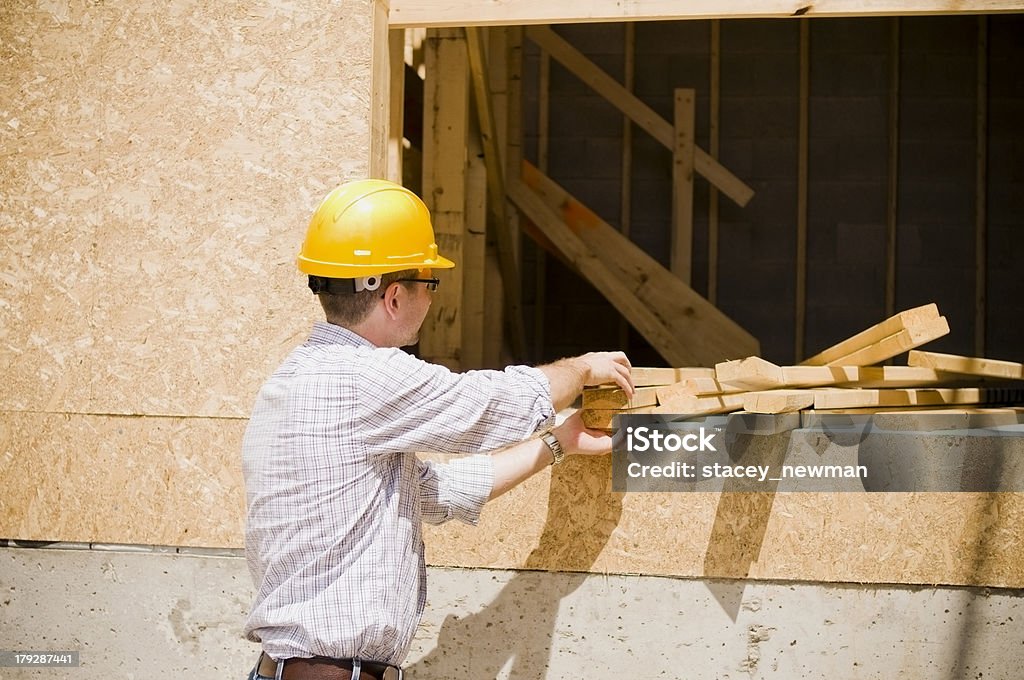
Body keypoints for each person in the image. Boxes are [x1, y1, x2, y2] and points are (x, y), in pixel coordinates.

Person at [242, 179, 633, 680]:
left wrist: (557, 443)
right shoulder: (368, 378)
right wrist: (580, 370)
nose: (430, 301)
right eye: (431, 284)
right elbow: (486, 405)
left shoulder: (295, 381)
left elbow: (435, 492)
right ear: (395, 295)